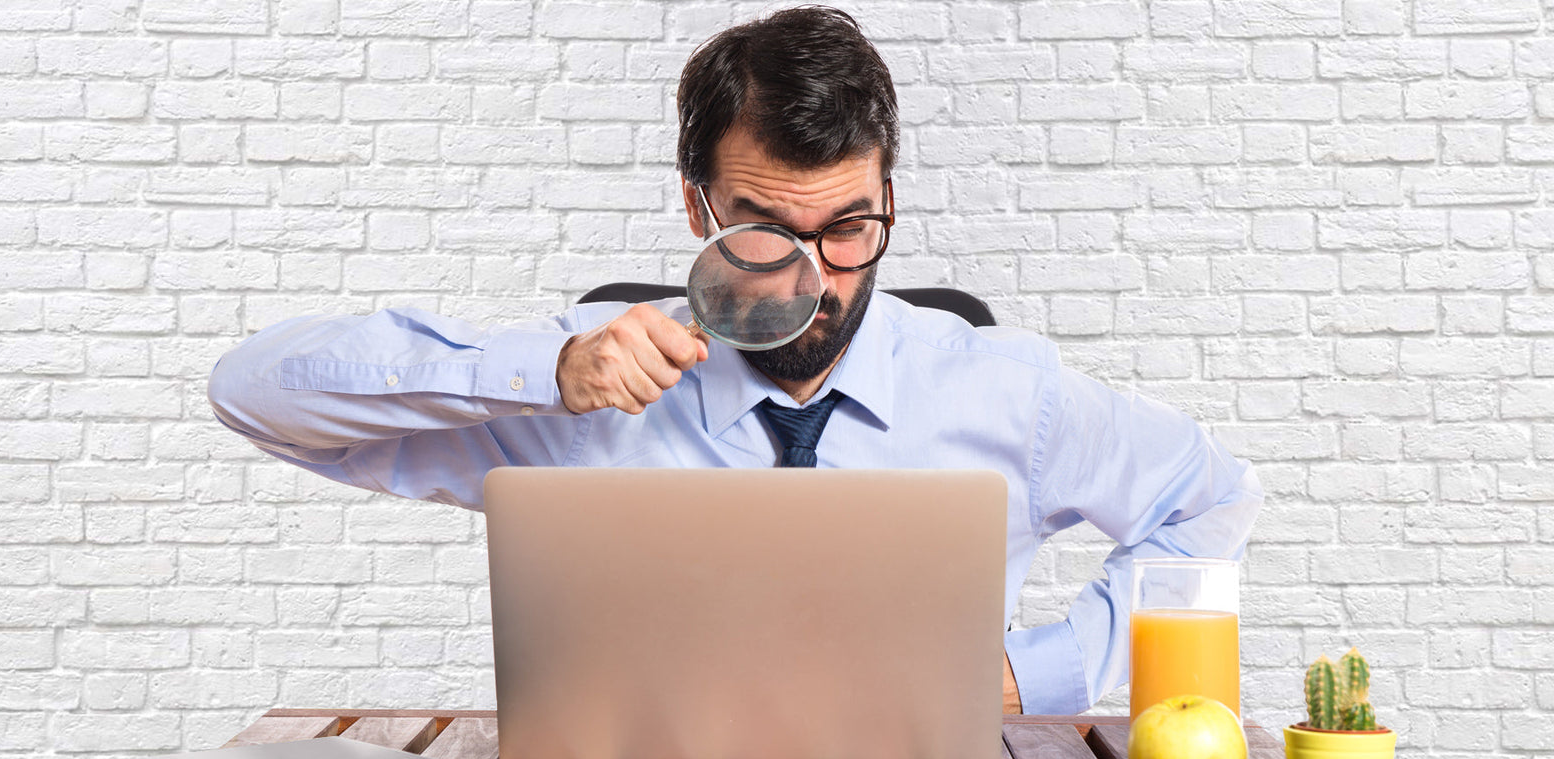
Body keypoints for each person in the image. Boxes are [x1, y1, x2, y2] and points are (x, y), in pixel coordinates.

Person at [207, 6, 1262, 716]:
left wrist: (1031, 675)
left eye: (850, 228)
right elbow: (256, 395)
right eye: (765, 233)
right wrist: (545, 369)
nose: (816, 280)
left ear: (887, 200)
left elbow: (1208, 498)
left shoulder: (1002, 391)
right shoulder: (586, 390)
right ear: (695, 206)